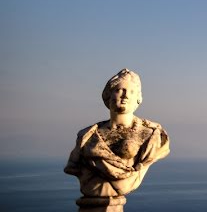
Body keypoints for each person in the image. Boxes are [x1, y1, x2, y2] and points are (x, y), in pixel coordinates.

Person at [64, 69, 170, 207]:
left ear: (138, 98)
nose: (125, 96)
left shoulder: (152, 136)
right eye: (120, 90)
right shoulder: (87, 136)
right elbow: (73, 167)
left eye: (131, 92)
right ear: (108, 95)